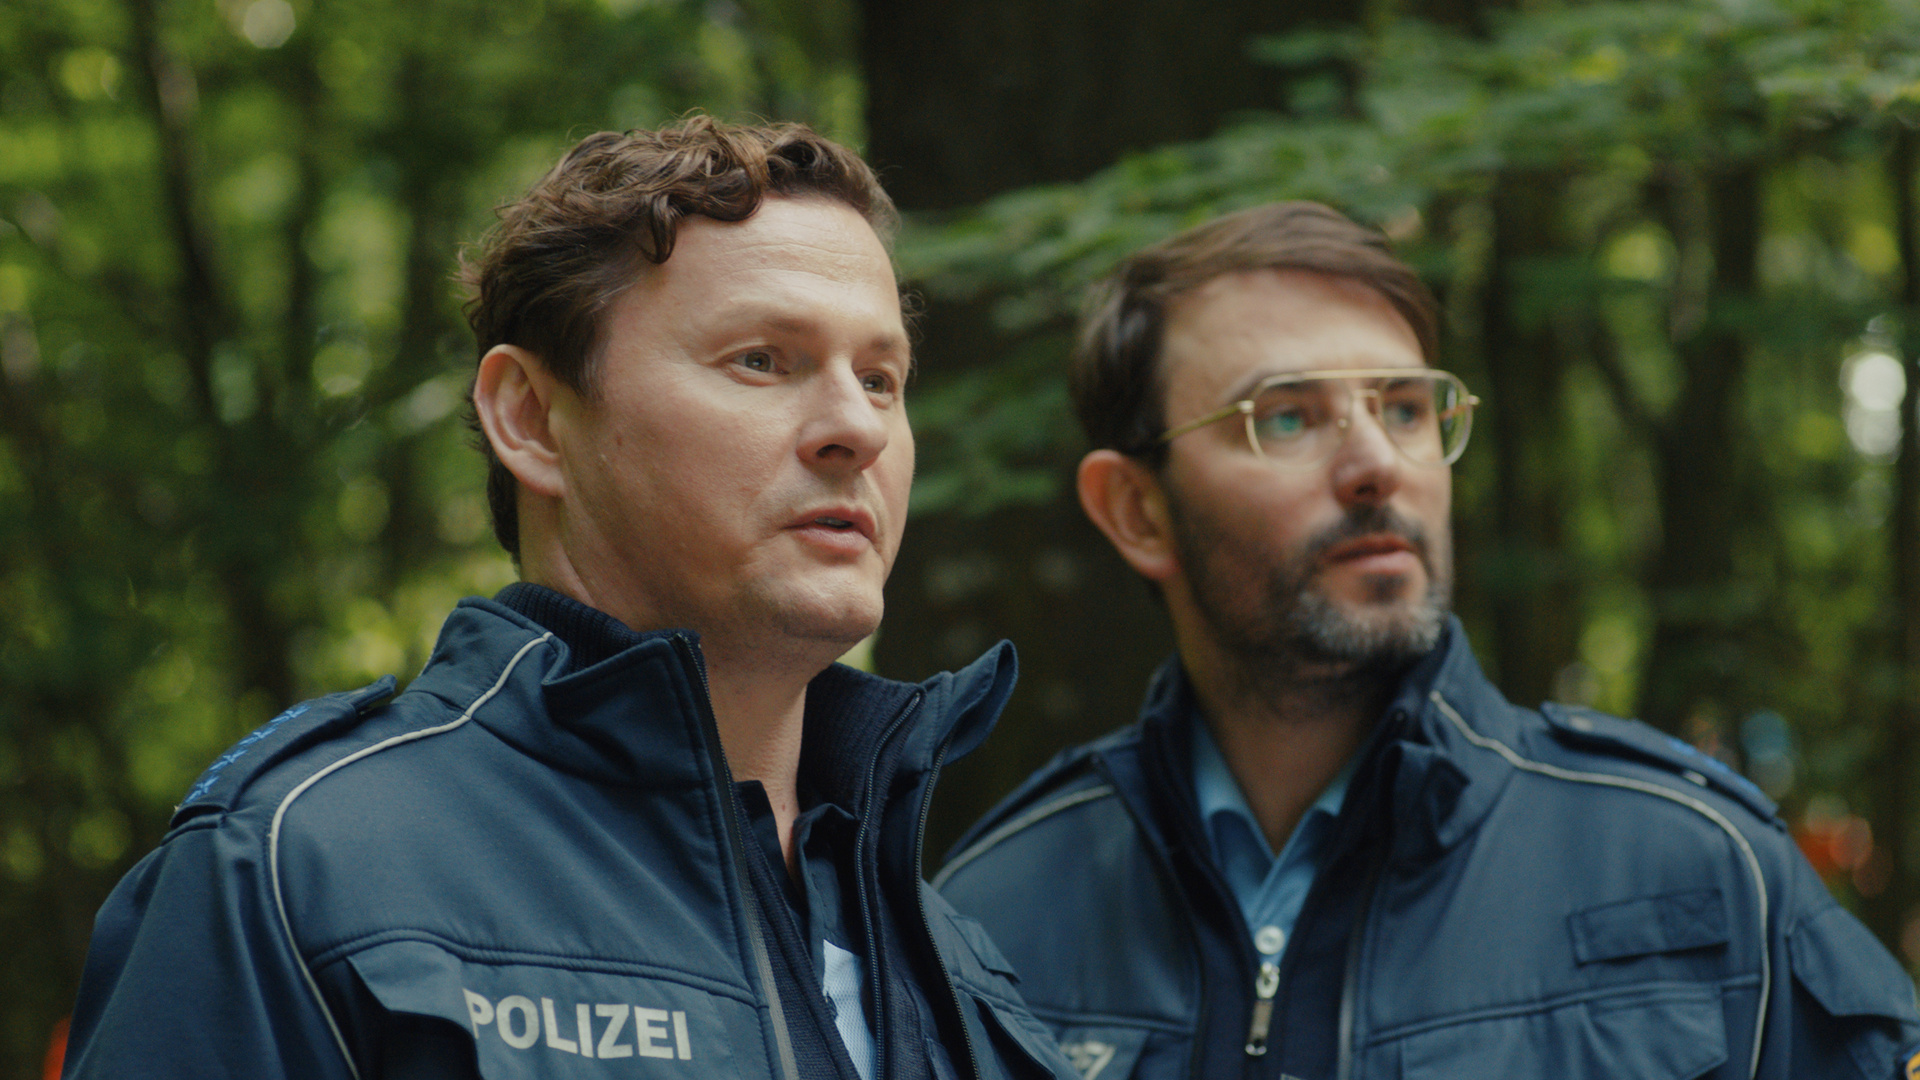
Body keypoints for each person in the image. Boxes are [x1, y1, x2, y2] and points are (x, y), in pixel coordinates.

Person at [62, 118, 1075, 1080]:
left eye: (883, 378)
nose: (857, 427)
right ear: (533, 419)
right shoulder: (299, 873)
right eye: (762, 360)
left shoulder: (958, 960)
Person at [935, 202, 1920, 1080]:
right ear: (1136, 510)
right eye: (1288, 417)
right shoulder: (987, 921)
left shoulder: (1700, 872)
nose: (1377, 463)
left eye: (1405, 408)